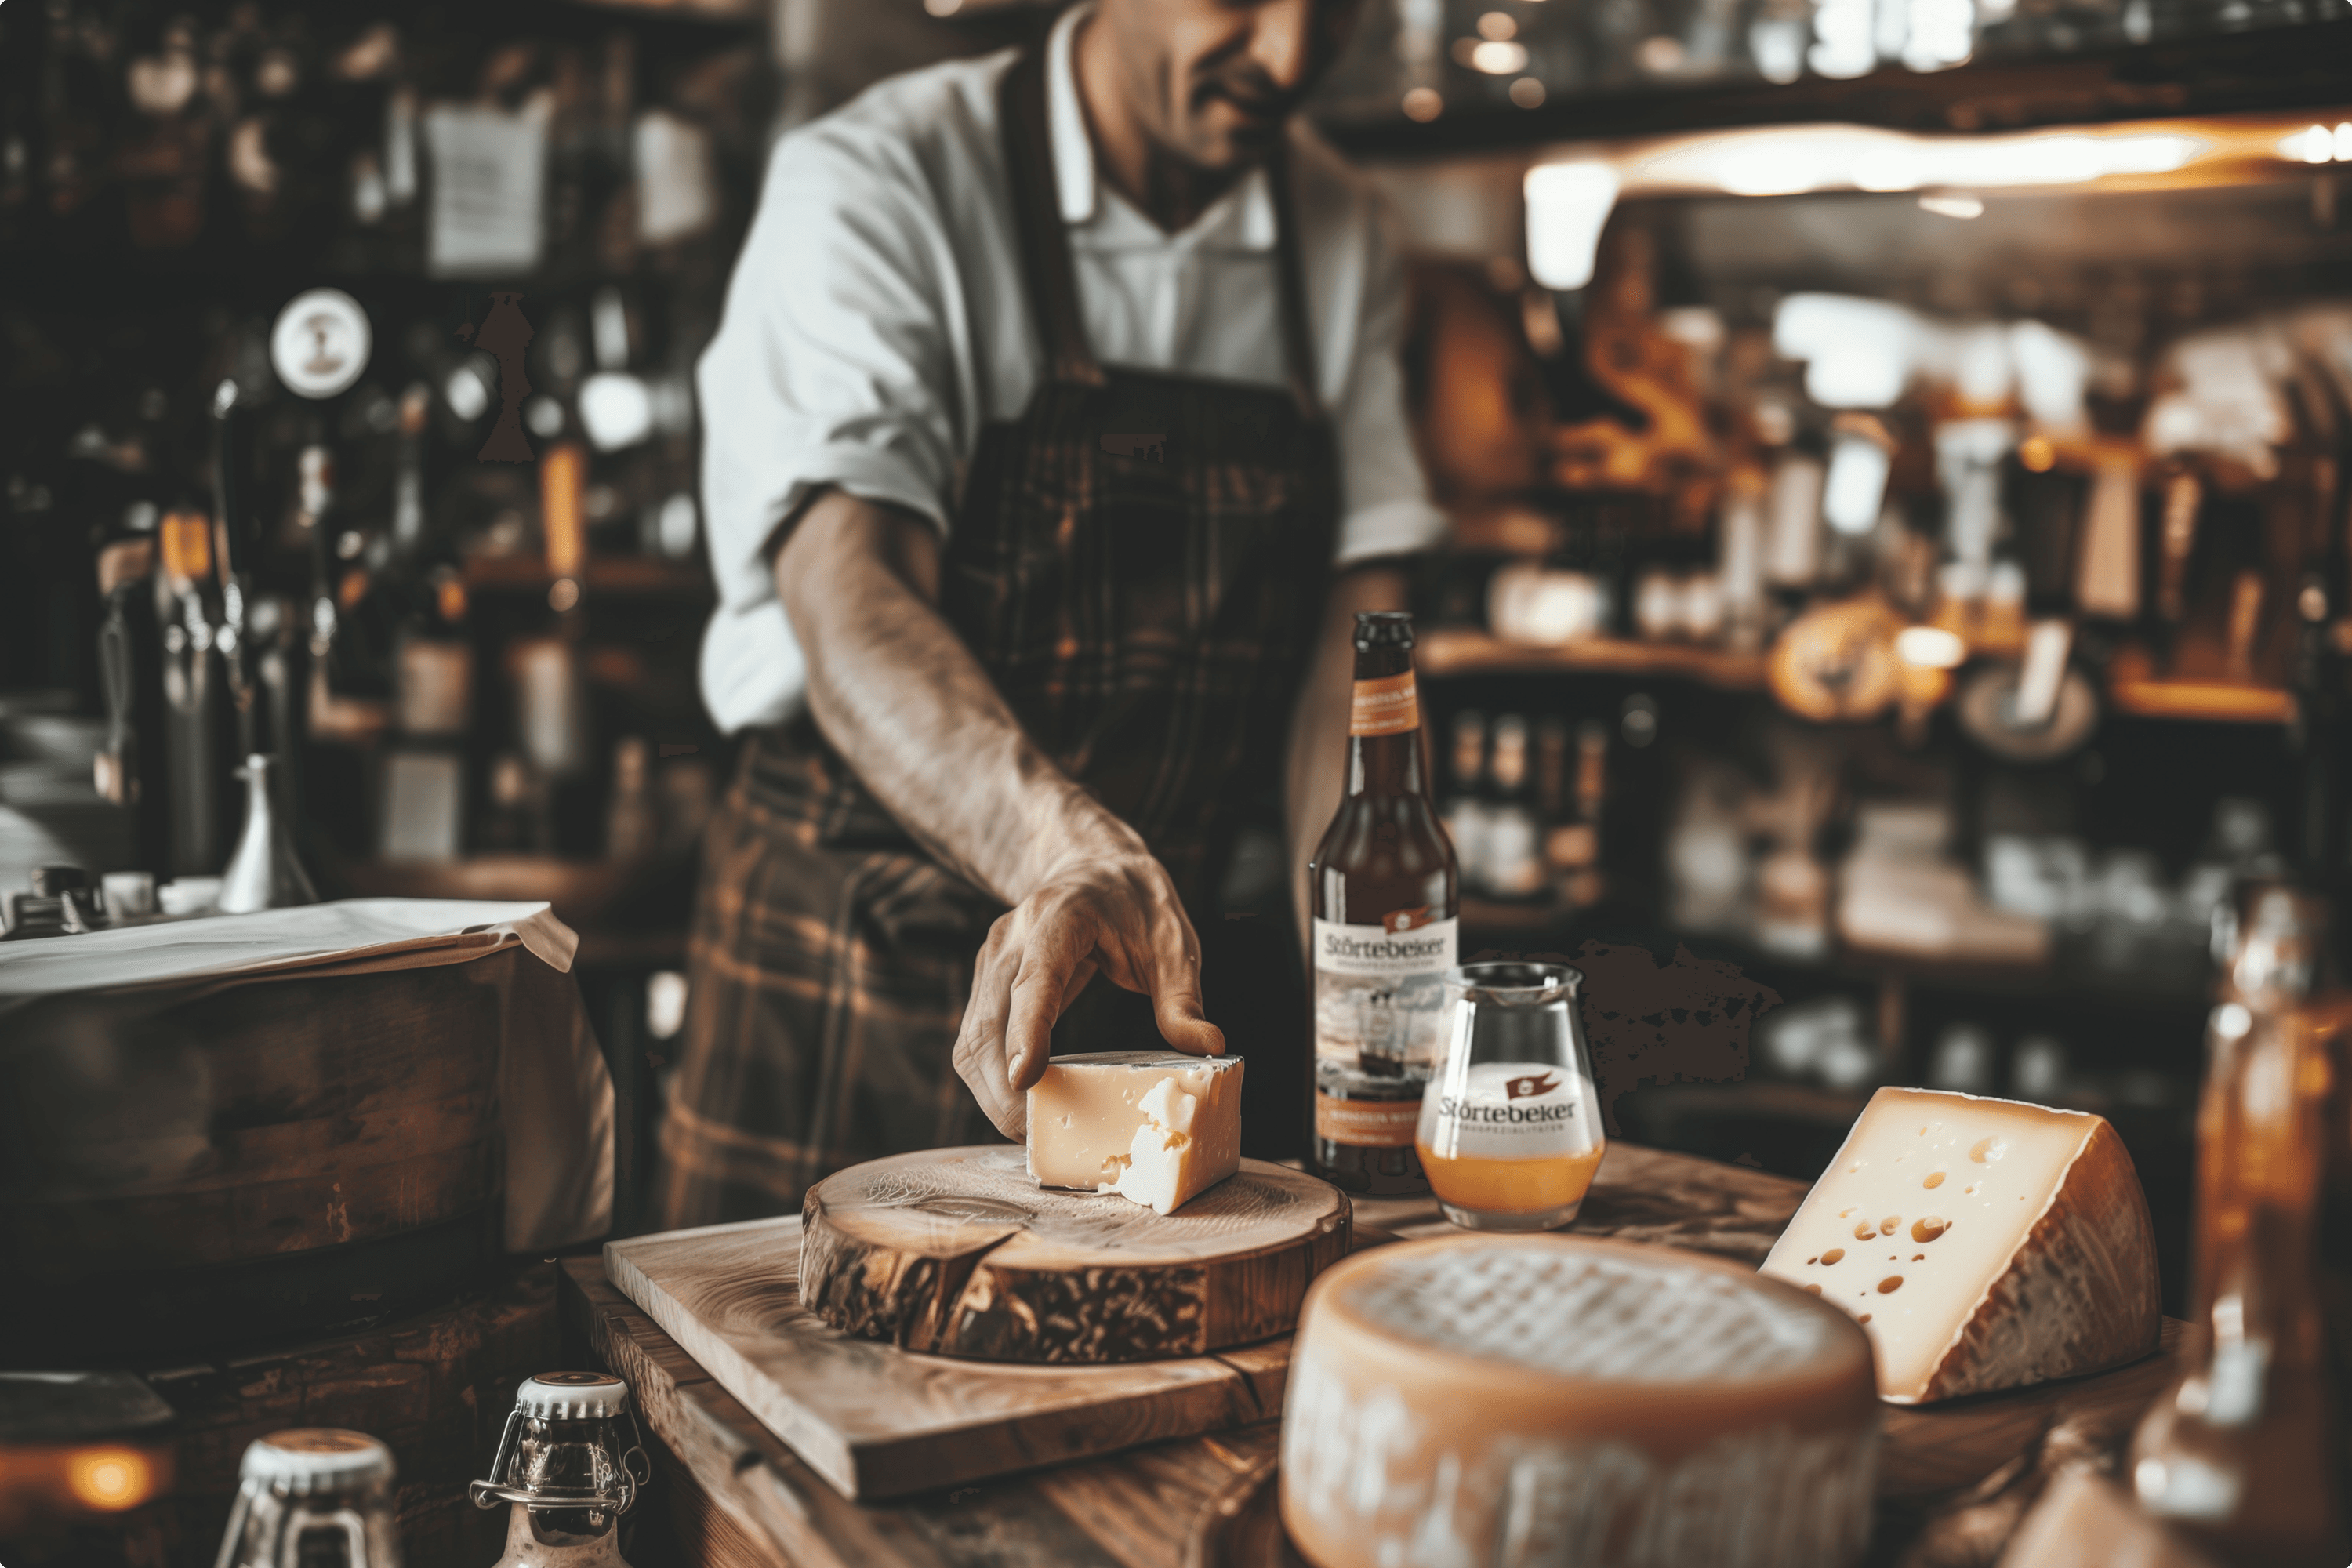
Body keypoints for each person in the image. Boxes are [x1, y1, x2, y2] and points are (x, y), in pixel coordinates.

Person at [655, 0, 1445, 1226]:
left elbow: (1355, 657)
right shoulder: (880, 184)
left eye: (1335, 9)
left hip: (1149, 1000)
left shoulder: (1339, 231)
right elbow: (847, 597)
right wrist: (1069, 857)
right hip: (847, 964)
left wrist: (1372, 1012)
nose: (1290, 57)